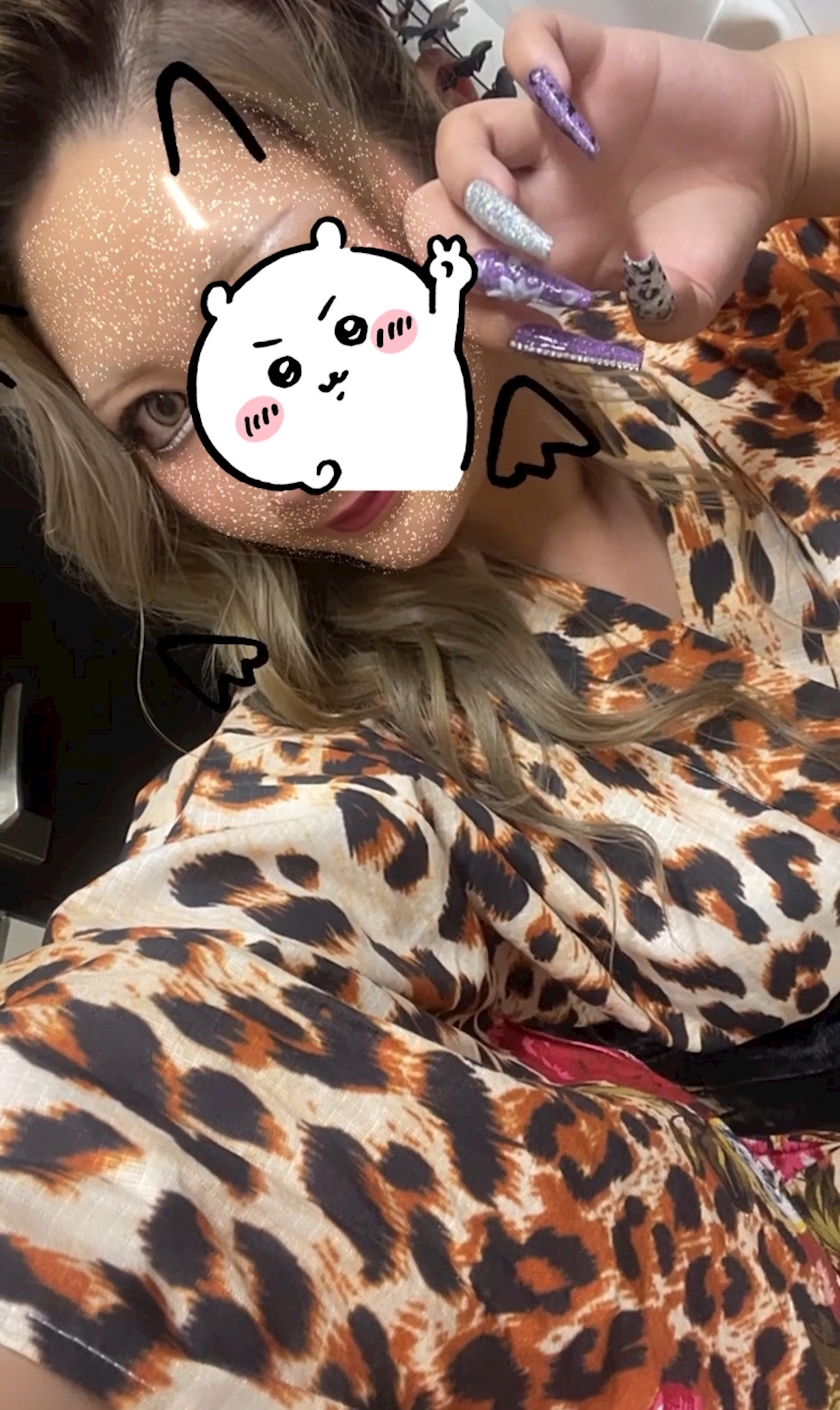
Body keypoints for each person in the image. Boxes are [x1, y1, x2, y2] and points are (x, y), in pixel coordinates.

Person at [1, 0, 840, 1404]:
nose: (284, 449)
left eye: (293, 285)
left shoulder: (701, 301)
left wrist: (794, 122)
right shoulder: (344, 771)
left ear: (417, 160)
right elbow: (111, 1091)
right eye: (166, 412)